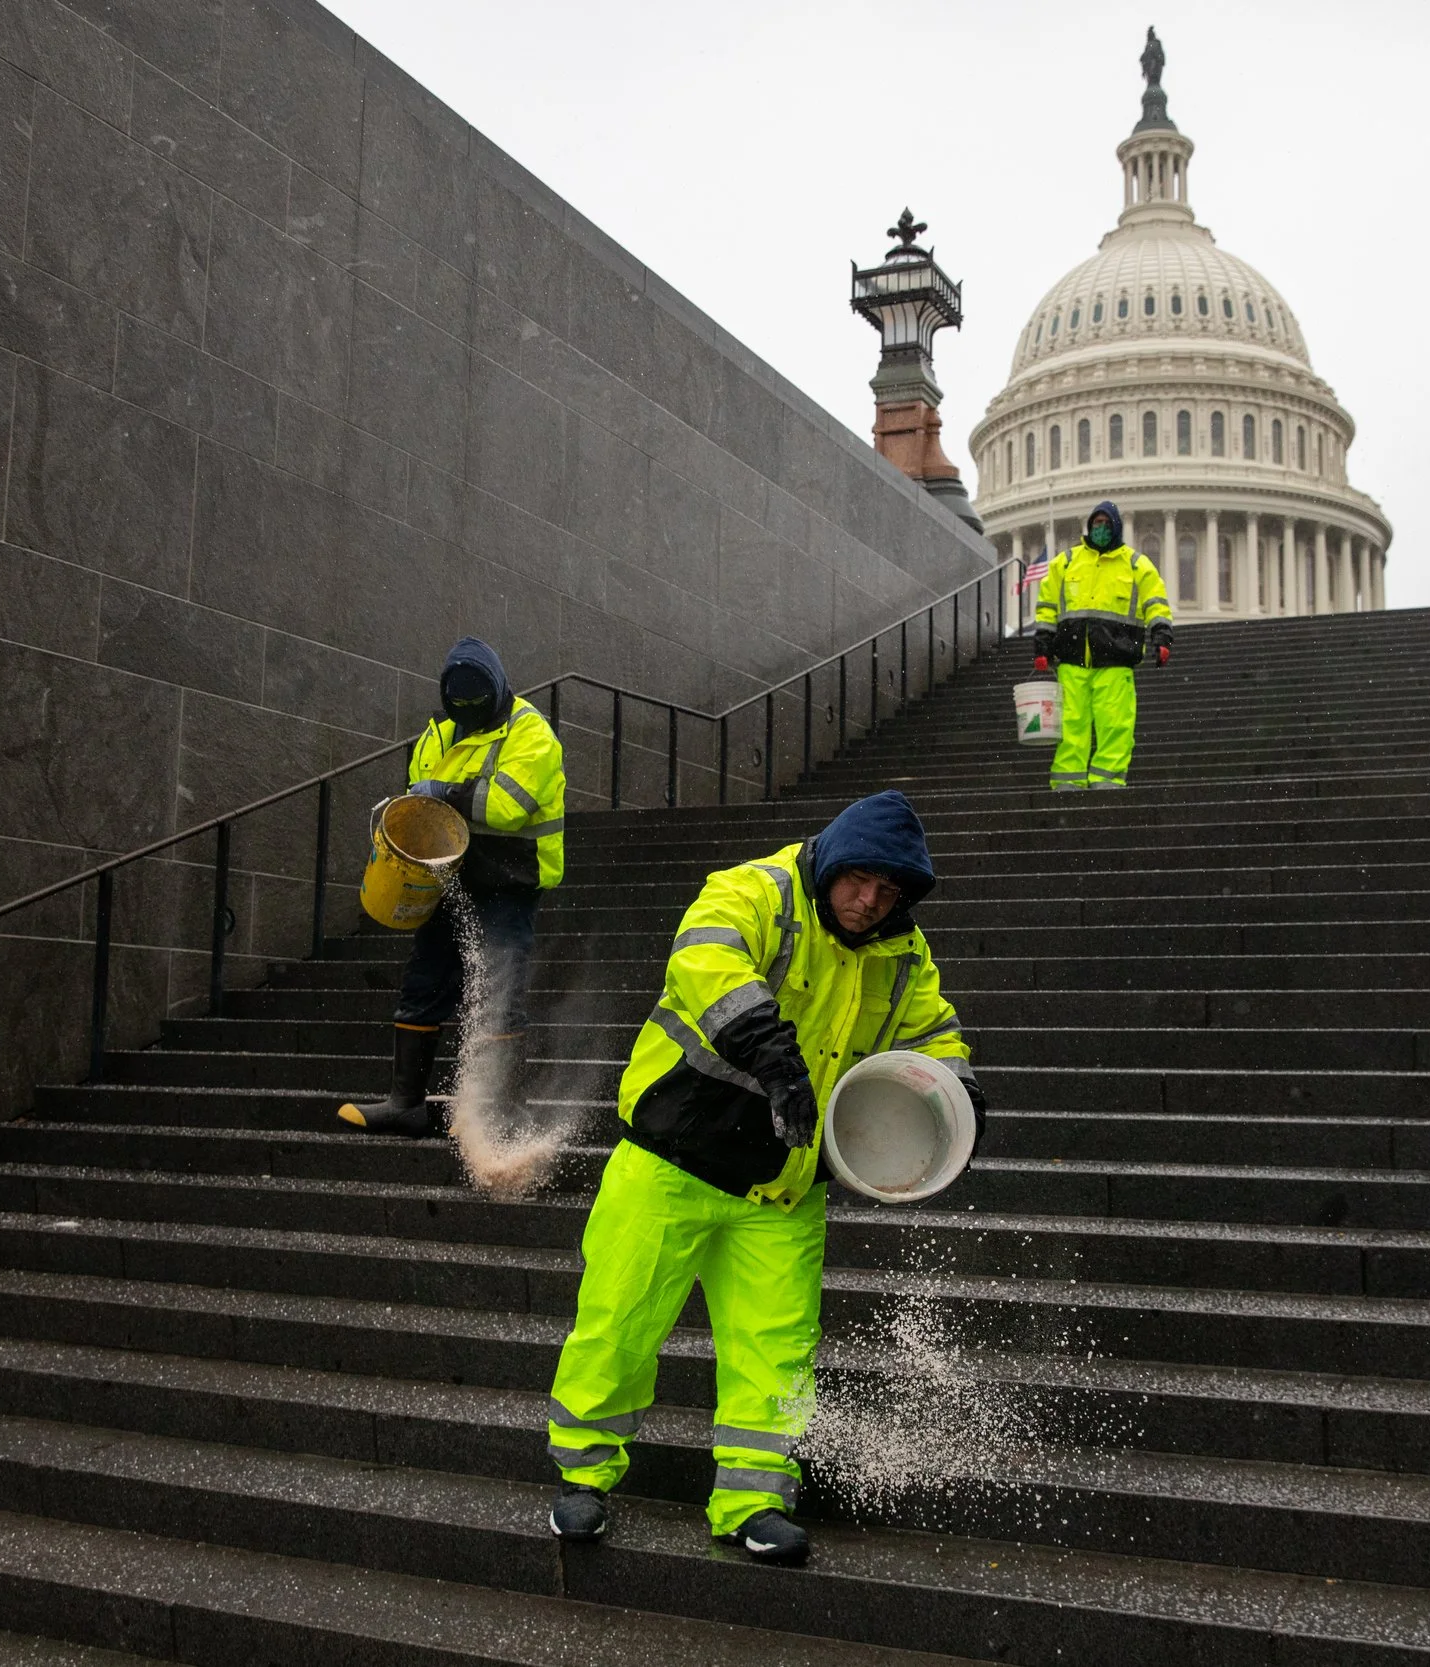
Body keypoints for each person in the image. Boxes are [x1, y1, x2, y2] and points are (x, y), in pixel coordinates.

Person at [542, 790, 983, 1564]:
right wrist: (765, 1044)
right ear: (834, 859)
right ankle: (582, 1476)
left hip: (783, 1188)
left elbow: (934, 1029)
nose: (869, 902)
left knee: (775, 1354)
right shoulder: (757, 890)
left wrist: (960, 1093)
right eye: (859, 882)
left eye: (889, 892)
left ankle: (752, 1498)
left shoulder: (904, 954)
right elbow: (703, 957)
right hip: (672, 1160)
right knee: (616, 1324)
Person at [339, 637, 565, 1137]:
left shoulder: (532, 733)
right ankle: (405, 1102)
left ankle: (502, 1109)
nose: (467, 717)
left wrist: (447, 793)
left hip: (508, 881)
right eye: (459, 709)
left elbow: (510, 805)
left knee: (500, 991)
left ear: (498, 691)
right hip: (444, 878)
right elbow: (419, 804)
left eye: (476, 710)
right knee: (425, 981)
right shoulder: (437, 733)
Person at [1032, 500, 1173, 790]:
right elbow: (1047, 607)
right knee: (1071, 727)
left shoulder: (1136, 565)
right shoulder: (1066, 562)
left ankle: (1107, 781)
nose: (1101, 529)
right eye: (1096, 523)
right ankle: (1067, 783)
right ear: (1088, 526)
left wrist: (1161, 637)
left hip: (1116, 660)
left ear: (1117, 527)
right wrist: (1042, 646)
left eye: (1106, 524)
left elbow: (1155, 603)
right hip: (1072, 661)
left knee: (1116, 725)